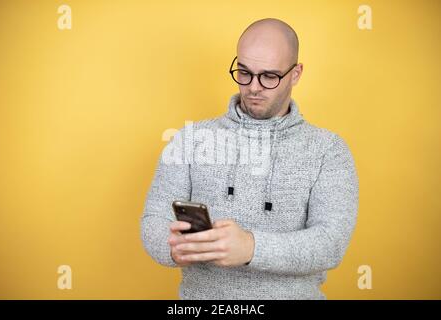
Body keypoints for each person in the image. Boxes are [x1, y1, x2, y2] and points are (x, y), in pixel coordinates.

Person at [141, 18, 359, 300]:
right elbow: (154, 219)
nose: (254, 87)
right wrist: (172, 248)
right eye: (244, 72)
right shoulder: (190, 139)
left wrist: (251, 248)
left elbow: (331, 244)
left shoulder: (329, 150)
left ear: (296, 74)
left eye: (269, 76)